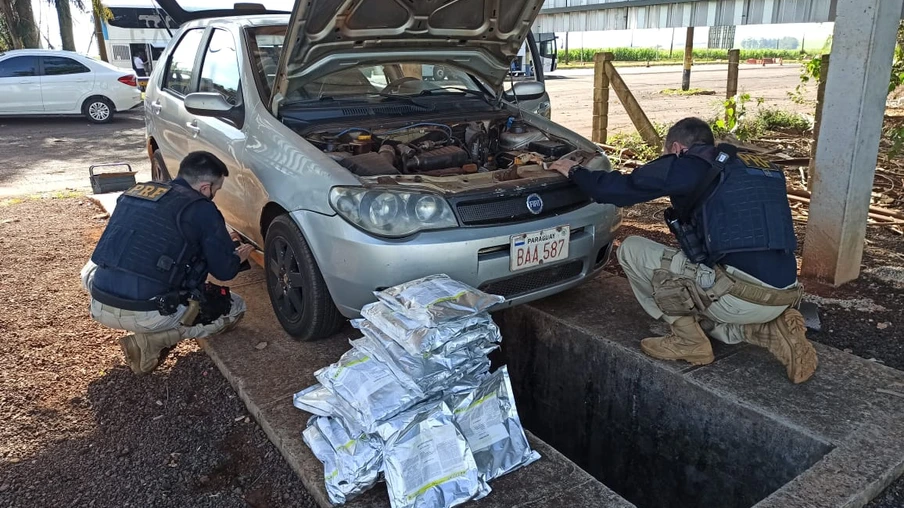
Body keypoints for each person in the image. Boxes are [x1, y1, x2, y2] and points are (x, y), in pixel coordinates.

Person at [549, 117, 818, 384]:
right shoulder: (757, 167)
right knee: (705, 283)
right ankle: (767, 327)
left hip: (735, 295)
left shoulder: (688, 165)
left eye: (667, 154)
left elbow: (618, 190)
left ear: (677, 148)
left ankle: (688, 341)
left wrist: (574, 170)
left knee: (632, 250)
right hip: (783, 293)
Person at [81, 152, 255, 375]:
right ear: (205, 187)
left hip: (98, 300)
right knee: (236, 307)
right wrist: (238, 256)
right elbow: (224, 271)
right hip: (146, 313)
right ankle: (154, 339)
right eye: (216, 189)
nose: (214, 194)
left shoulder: (136, 192)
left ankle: (147, 326)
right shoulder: (201, 208)